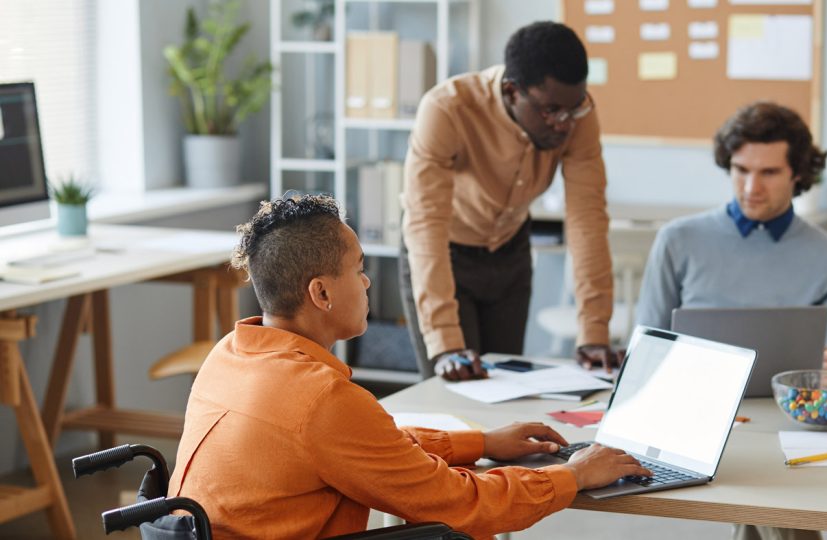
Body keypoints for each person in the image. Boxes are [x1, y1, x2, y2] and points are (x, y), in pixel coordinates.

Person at [167, 194, 650, 539]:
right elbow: (460, 504)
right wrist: (574, 476)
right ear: (321, 292)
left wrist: (480, 443)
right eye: (358, 268)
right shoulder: (319, 400)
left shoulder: (230, 354)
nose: (368, 282)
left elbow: (365, 447)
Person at [636, 102, 827, 540]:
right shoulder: (679, 240)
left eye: (769, 173)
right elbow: (645, 350)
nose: (751, 187)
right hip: (695, 413)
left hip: (790, 422)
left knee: (771, 488)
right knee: (776, 501)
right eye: (740, 170)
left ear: (798, 174)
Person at [400, 21, 619, 381]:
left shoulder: (578, 115)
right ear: (512, 91)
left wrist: (593, 334)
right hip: (443, 255)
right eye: (551, 110)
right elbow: (426, 225)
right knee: (454, 391)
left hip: (510, 251)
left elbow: (587, 220)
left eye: (574, 108)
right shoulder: (447, 109)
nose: (564, 124)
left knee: (506, 389)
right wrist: (446, 343)